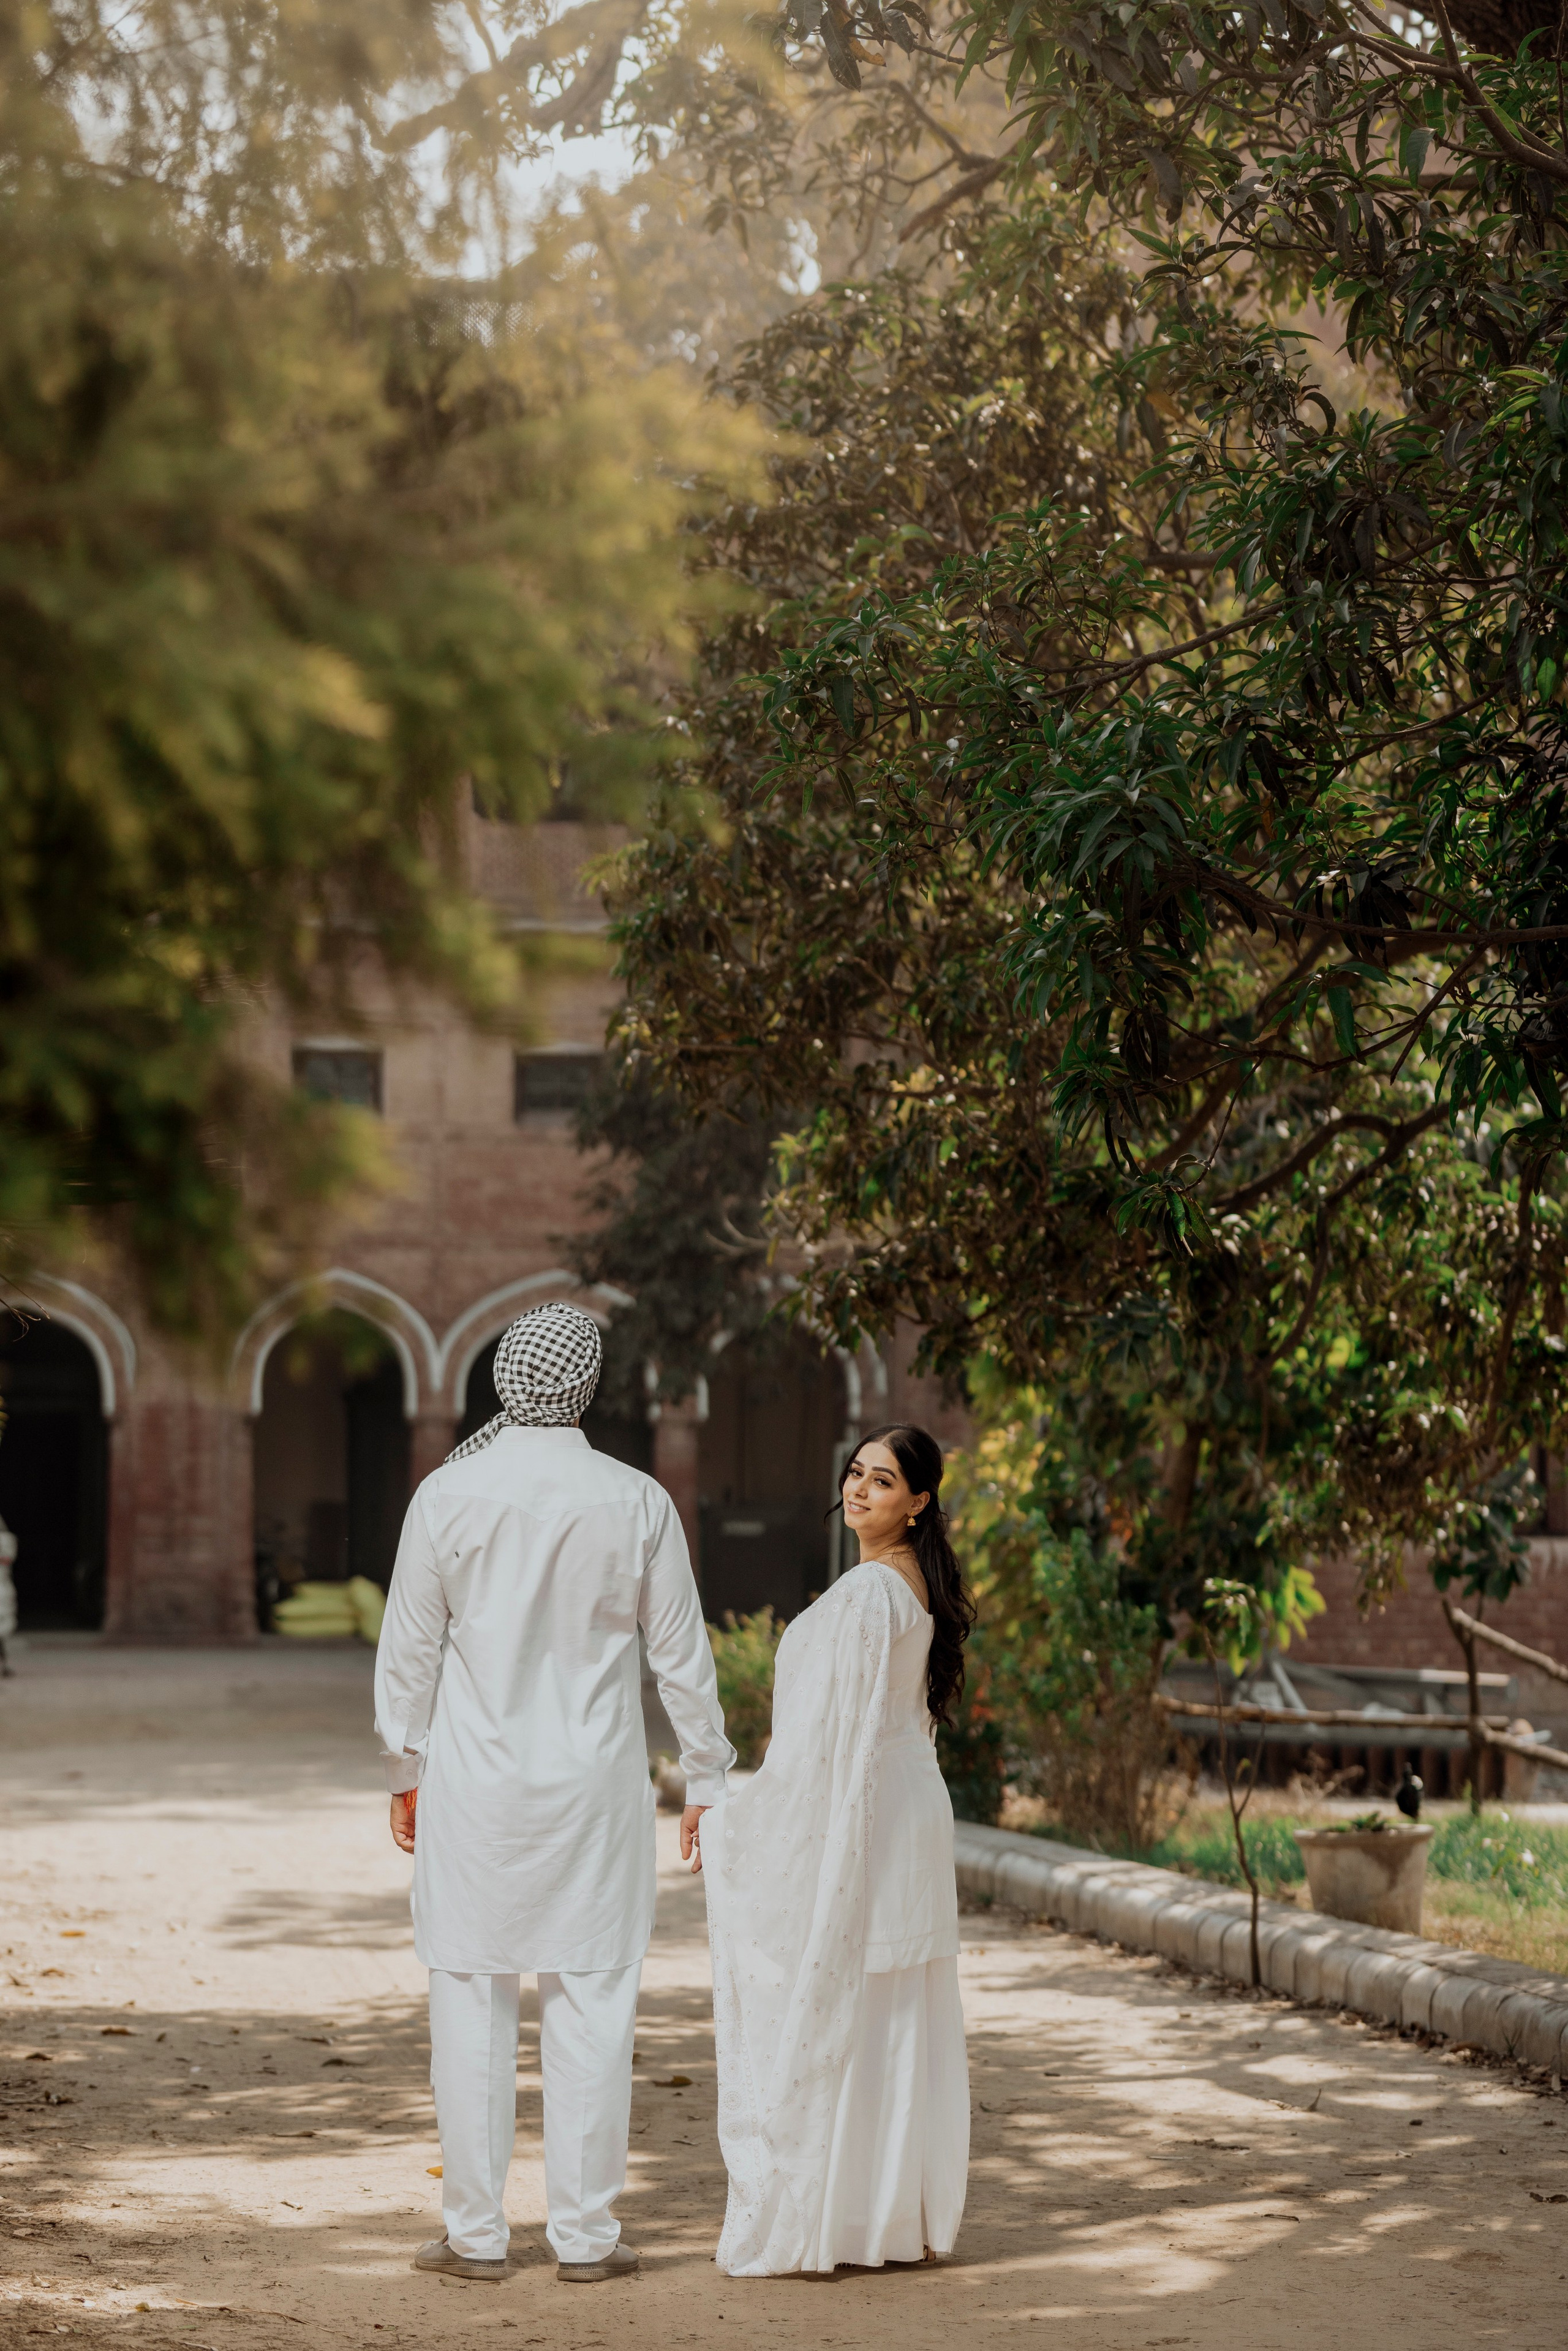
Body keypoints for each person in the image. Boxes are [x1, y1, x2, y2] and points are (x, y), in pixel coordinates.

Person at [374, 1303, 734, 2286]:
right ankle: (584, 2238)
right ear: (588, 1387)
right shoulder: (638, 1500)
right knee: (592, 2000)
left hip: (474, 1788)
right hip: (594, 1794)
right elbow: (682, 1659)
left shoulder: (446, 1497)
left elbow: (407, 1656)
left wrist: (406, 1773)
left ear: (503, 1378)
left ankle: (476, 2236)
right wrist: (706, 1775)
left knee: (471, 2002)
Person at [699, 1422, 973, 2276]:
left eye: (883, 1480)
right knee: (892, 2003)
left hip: (880, 1808)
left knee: (866, 2000)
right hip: (910, 1798)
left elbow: (834, 1740)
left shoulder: (869, 1595)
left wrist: (738, 1815)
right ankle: (888, 2215)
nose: (859, 1490)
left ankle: (850, 2221)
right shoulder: (907, 1583)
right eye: (855, 1472)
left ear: (919, 1500)